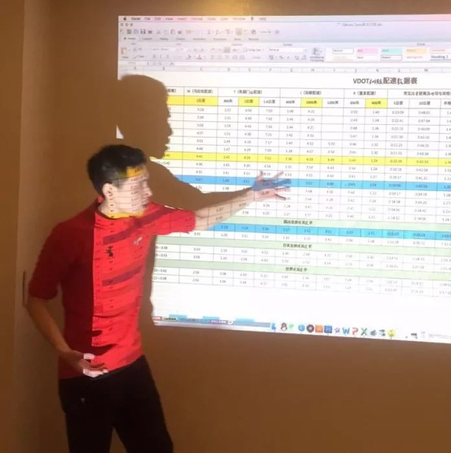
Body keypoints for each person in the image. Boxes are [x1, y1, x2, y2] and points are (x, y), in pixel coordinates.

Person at [26, 144, 289, 453]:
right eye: (138, 185)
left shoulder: (146, 216)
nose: (148, 192)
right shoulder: (70, 234)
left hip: (132, 366)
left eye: (147, 182)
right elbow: (36, 300)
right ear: (109, 191)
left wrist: (250, 197)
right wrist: (64, 352)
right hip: (84, 375)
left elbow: (199, 219)